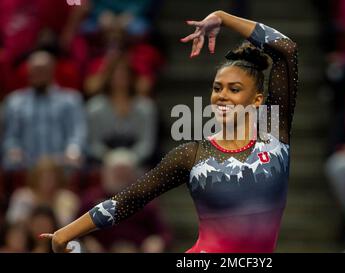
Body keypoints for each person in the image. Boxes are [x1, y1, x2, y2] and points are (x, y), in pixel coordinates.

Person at [40, 11, 298, 253]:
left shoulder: (272, 134)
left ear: (257, 99)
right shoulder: (192, 155)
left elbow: (285, 49)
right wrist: (65, 234)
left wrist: (223, 17)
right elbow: (129, 199)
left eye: (234, 89)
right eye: (218, 88)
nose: (222, 96)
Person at [2, 50, 86, 170]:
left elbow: (76, 134)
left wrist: (72, 151)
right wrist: (13, 150)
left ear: (52, 70)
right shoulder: (15, 102)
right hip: (26, 167)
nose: (38, 74)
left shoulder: (70, 100)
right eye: (35, 70)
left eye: (42, 70)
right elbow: (11, 136)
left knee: (76, 160)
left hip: (61, 166)